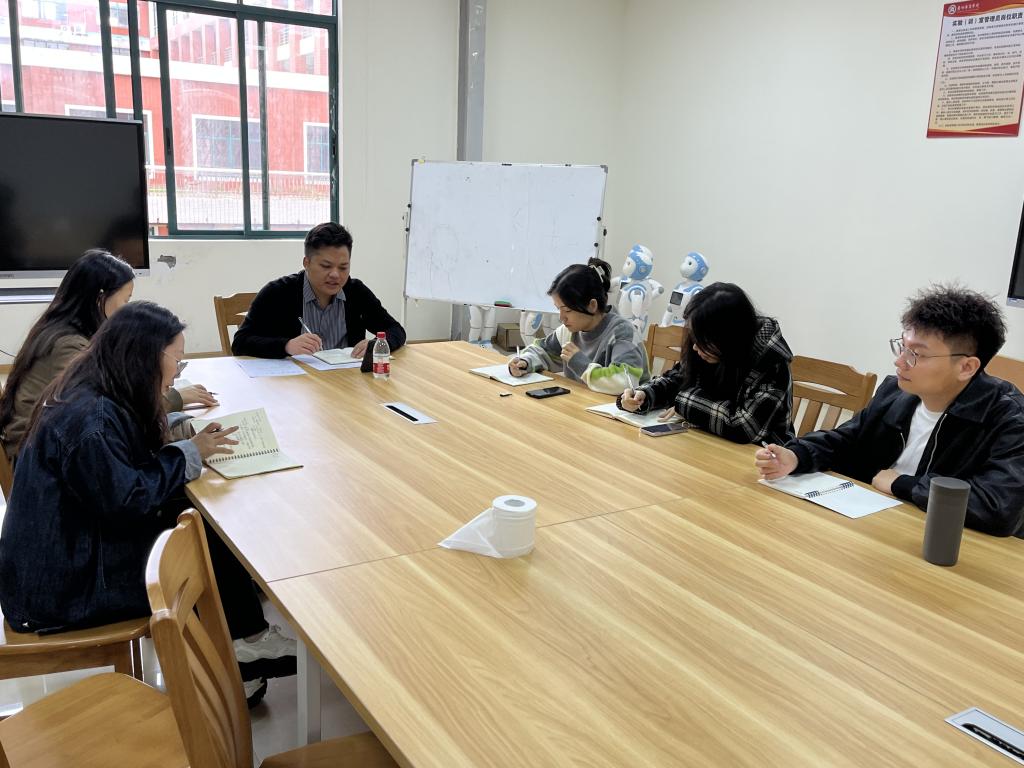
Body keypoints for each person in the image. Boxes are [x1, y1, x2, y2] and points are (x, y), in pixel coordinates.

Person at [0, 303, 294, 706]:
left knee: (196, 515)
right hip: (63, 589)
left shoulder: (95, 388)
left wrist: (178, 436)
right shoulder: (92, 420)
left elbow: (126, 459)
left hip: (70, 554)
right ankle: (241, 646)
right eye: (177, 359)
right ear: (146, 357)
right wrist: (189, 453)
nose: (177, 370)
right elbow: (127, 499)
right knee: (197, 531)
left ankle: (244, 641)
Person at [755, 285, 1024, 537]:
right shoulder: (895, 393)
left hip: (949, 546)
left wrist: (901, 484)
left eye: (916, 354)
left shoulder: (1010, 419)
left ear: (966, 367)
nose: (900, 362)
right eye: (902, 347)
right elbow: (847, 440)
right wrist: (796, 455)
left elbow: (998, 507)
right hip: (878, 530)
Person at [0, 249, 216, 462]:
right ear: (99, 298)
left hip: (47, 446)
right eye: (125, 301)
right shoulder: (69, 347)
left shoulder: (65, 330)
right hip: (37, 457)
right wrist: (176, 398)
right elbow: (113, 410)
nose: (126, 310)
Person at [619, 282, 794, 444]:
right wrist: (645, 395)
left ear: (730, 336)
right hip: (706, 441)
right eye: (694, 337)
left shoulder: (771, 361)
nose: (695, 347)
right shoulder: (711, 349)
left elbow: (744, 427)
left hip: (763, 457)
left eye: (703, 341)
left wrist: (684, 403)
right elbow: (679, 379)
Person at [231, 222, 406, 359]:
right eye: (326, 266)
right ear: (306, 263)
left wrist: (377, 344)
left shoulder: (356, 292)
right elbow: (240, 343)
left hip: (346, 382)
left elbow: (395, 330)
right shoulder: (278, 293)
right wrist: (287, 346)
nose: (335, 275)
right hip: (296, 385)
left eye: (343, 267)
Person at [507, 257, 648, 394]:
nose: (561, 318)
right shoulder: (569, 331)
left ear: (592, 305)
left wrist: (580, 363)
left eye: (567, 310)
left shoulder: (623, 333)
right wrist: (525, 362)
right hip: (583, 402)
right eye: (558, 309)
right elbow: (542, 351)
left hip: (621, 408)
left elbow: (624, 383)